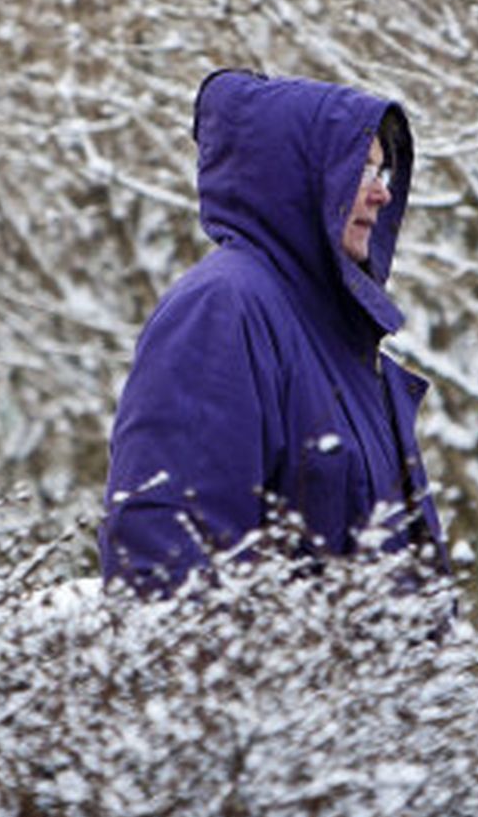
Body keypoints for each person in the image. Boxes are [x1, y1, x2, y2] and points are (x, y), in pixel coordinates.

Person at [98, 69, 447, 597]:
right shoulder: (223, 310)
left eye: (383, 173)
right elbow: (168, 550)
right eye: (361, 170)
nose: (380, 194)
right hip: (271, 679)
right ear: (296, 179)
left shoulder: (334, 341)